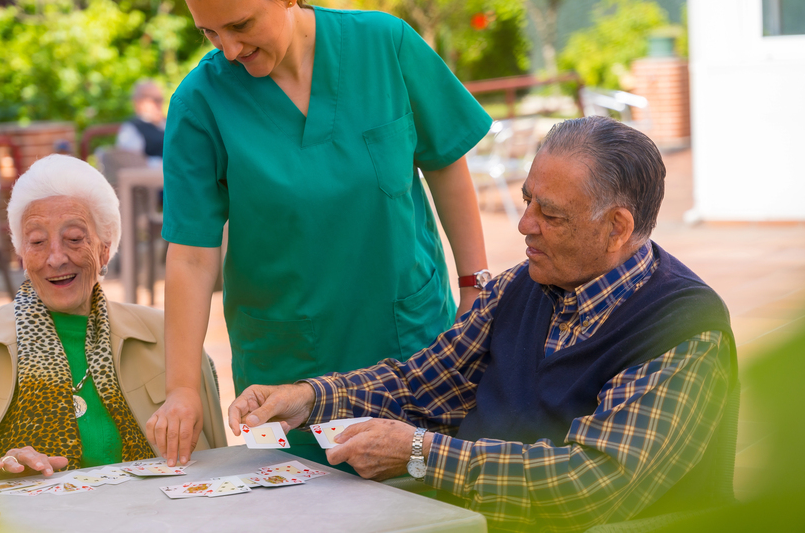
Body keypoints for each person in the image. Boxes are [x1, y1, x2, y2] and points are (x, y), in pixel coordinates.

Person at [228, 116, 739, 532]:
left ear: (617, 228)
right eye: (527, 200)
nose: (525, 224)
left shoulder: (683, 329)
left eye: (552, 215)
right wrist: (307, 397)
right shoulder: (524, 285)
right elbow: (420, 386)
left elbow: (593, 486)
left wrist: (422, 454)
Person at [148, 0, 494, 467]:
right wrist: (181, 387)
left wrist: (475, 288)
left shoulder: (386, 45)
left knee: (429, 503)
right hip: (288, 366)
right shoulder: (199, 103)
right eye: (208, 33)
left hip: (410, 341)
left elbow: (446, 166)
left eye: (239, 25)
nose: (227, 50)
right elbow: (190, 254)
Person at [0, 154, 225, 490]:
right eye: (37, 242)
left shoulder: (171, 338)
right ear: (21, 253)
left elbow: (212, 471)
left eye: (74, 238)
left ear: (104, 249)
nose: (56, 258)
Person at [116, 80, 167, 167]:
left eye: (160, 99)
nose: (159, 104)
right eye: (155, 100)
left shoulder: (169, 123)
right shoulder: (131, 129)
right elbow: (133, 165)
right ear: (138, 102)